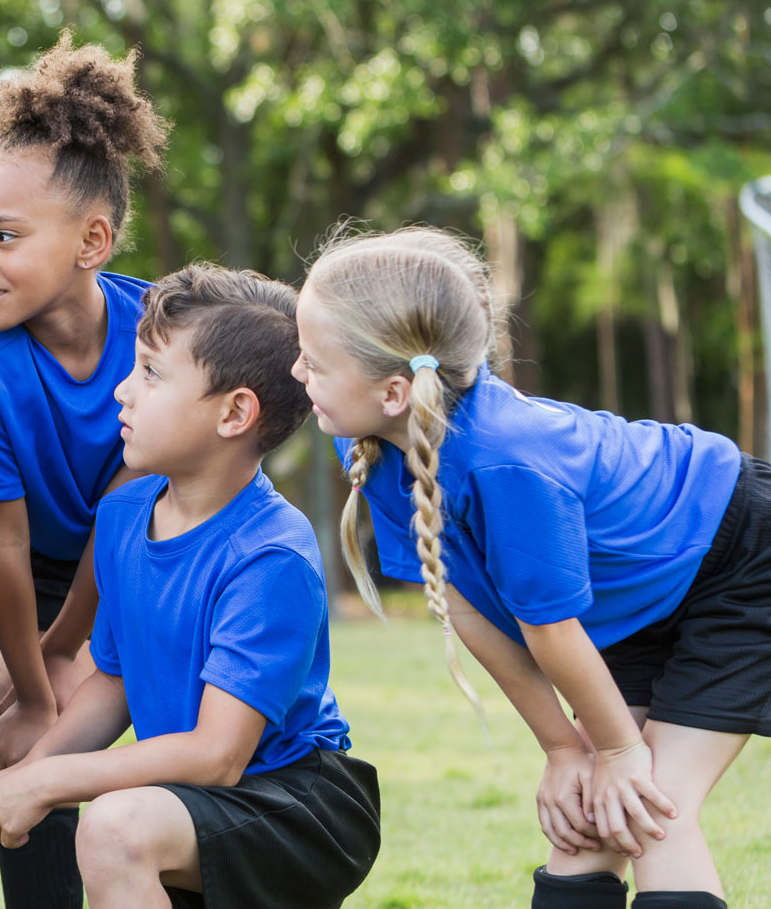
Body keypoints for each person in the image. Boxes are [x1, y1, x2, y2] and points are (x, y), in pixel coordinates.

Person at [298, 226, 768, 909]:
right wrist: (565, 750)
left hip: (739, 557)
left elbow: (549, 629)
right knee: (586, 826)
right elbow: (457, 603)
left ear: (395, 390)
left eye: (313, 361)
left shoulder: (505, 461)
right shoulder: (377, 449)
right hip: (639, 600)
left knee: (650, 812)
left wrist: (617, 752)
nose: (296, 373)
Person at [0, 265, 381, 909]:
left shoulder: (270, 555)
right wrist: (31, 772)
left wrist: (53, 780)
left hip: (298, 802)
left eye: (152, 373)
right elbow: (111, 683)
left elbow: (217, 754)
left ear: (234, 413)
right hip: (199, 802)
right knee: (117, 818)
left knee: (114, 825)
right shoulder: (120, 518)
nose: (122, 392)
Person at [0, 34, 169, 909]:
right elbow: (0, 546)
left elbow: (134, 509)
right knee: (29, 741)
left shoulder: (158, 333)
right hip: (31, 570)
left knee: (173, 730)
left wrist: (75, 647)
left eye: (4, 236)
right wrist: (37, 686)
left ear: (92, 240)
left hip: (153, 554)